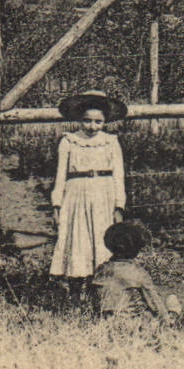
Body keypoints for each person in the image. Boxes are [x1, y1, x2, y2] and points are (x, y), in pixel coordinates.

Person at [50, 90, 128, 295]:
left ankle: (100, 287)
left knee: (101, 236)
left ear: (105, 121)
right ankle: (76, 286)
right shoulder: (69, 141)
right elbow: (60, 176)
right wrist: (56, 204)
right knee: (78, 236)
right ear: (79, 119)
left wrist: (119, 205)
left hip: (103, 194)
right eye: (87, 121)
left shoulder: (111, 142)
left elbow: (119, 176)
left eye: (98, 122)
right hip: (75, 194)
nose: (92, 127)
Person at [88, 221, 181, 325]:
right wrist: (167, 318)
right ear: (136, 248)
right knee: (172, 300)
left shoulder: (101, 270)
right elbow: (156, 304)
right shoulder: (138, 273)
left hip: (105, 323)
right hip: (133, 326)